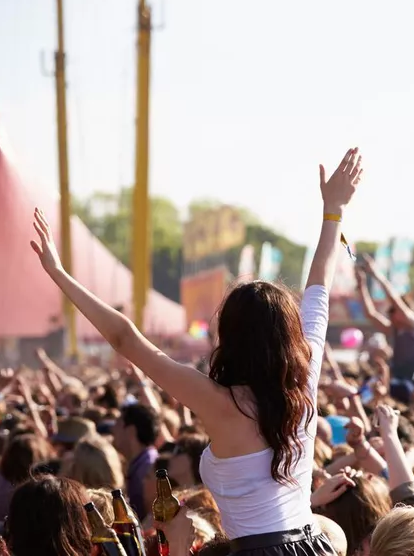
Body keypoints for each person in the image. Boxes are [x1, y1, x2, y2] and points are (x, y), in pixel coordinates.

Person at [30, 148, 363, 555]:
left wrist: (59, 275)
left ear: (232, 337)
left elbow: (126, 340)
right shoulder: (303, 378)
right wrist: (333, 213)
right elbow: (319, 289)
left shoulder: (220, 400)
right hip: (312, 546)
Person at [355, 254, 414, 383]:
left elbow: (394, 299)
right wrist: (361, 286)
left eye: (392, 312)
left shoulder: (413, 322)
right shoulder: (395, 329)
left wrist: (375, 273)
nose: (390, 317)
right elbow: (370, 314)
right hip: (400, 375)